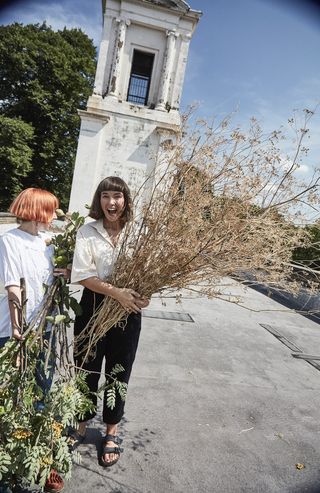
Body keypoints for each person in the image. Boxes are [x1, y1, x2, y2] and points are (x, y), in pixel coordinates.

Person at [71, 176, 149, 467]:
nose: (111, 202)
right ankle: (81, 424)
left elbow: (147, 275)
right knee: (86, 367)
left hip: (128, 311)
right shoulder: (88, 231)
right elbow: (82, 274)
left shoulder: (139, 232)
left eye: (117, 196)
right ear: (98, 200)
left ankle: (111, 432)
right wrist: (115, 292)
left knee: (119, 373)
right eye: (105, 196)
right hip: (93, 305)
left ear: (126, 200)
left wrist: (144, 297)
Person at [0, 188, 66, 493]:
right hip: (16, 329)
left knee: (43, 386)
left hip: (45, 327)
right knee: (13, 394)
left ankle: (41, 460)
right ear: (36, 212)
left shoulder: (46, 242)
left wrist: (60, 272)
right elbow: (13, 285)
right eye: (50, 212)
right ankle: (9, 466)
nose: (53, 217)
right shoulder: (10, 240)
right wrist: (17, 329)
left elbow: (47, 278)